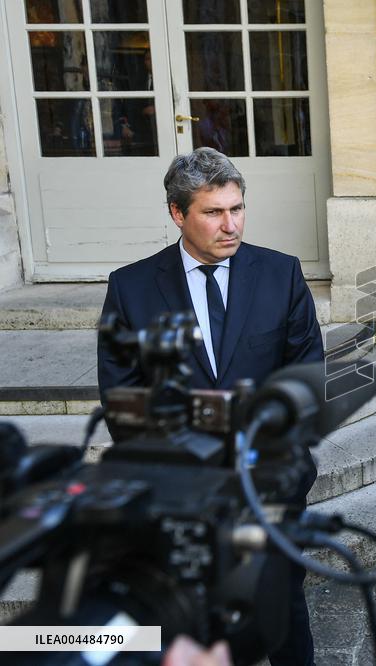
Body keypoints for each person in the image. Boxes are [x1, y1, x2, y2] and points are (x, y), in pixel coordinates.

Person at [97, 147, 322, 666]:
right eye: (213, 212)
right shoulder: (131, 289)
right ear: (178, 214)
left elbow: (306, 380)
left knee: (283, 614)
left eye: (237, 208)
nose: (231, 224)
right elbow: (122, 401)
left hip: (268, 486)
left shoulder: (281, 274)